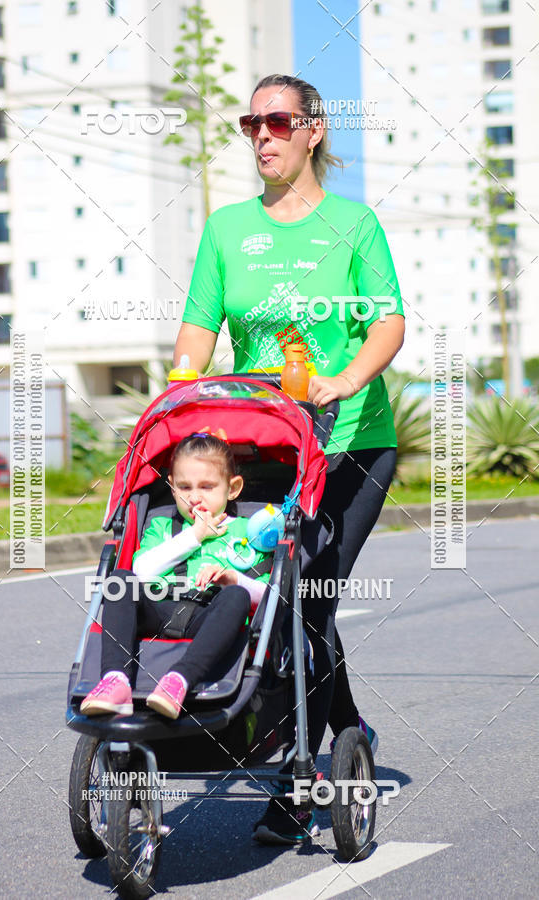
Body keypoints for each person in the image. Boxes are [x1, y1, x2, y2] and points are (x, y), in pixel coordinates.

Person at [174, 74, 405, 843]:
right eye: (252, 124)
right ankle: (347, 731)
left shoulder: (354, 225)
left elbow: (388, 323)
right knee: (268, 595)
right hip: (264, 442)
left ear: (313, 130)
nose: (263, 136)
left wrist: (345, 379)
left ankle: (298, 779)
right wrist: (180, 390)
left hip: (350, 440)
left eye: (278, 121)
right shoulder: (227, 229)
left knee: (308, 598)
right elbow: (199, 327)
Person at [81, 431, 271, 720]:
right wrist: (194, 536)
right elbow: (142, 571)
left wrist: (233, 578)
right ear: (171, 487)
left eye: (207, 486)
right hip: (158, 610)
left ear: (232, 488)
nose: (194, 497)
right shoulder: (162, 526)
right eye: (184, 487)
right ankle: (115, 681)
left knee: (237, 596)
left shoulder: (250, 532)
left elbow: (269, 595)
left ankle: (178, 680)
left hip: (209, 617)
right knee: (120, 580)